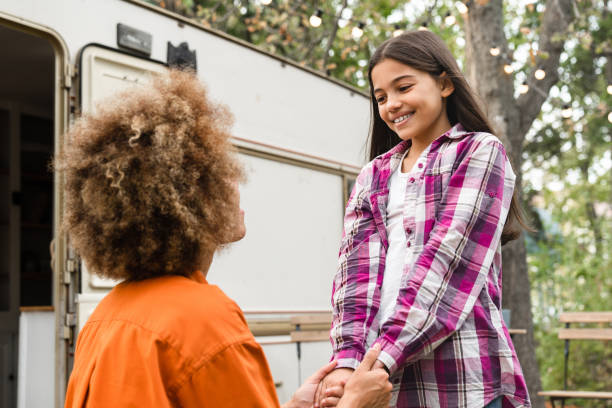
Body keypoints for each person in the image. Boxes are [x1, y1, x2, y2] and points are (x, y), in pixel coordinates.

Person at [59, 69, 392, 407]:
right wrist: (356, 404)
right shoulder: (202, 319)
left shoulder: (105, 316)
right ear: (194, 196)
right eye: (221, 173)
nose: (236, 184)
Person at [316, 31, 532, 408]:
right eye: (381, 97)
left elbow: (447, 266)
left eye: (403, 87)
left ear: (445, 83)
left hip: (462, 382)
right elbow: (354, 277)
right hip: (384, 387)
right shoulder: (373, 175)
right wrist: (346, 364)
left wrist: (379, 358)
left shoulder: (480, 152)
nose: (391, 105)